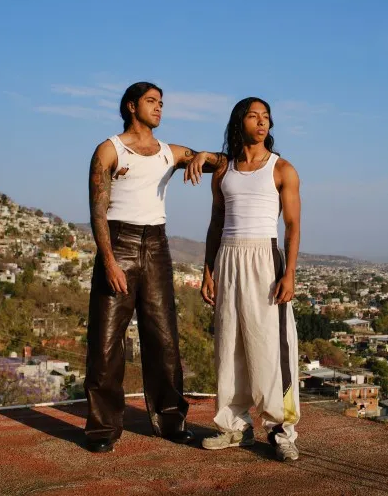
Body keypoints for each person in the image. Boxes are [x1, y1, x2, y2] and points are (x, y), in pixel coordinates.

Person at [85, 81, 225, 453]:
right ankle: (102, 428)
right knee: (106, 340)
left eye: (162, 102)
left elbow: (224, 164)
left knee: (163, 337)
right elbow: (97, 210)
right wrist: (109, 261)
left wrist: (202, 156)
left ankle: (169, 420)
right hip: (119, 242)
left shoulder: (169, 152)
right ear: (132, 106)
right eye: (151, 101)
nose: (159, 107)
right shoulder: (109, 149)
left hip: (158, 245)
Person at [201, 97, 301, 461]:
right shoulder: (223, 171)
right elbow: (215, 222)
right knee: (229, 346)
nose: (262, 123)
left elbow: (292, 226)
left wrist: (289, 272)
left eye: (267, 118)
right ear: (239, 122)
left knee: (271, 348)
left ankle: (281, 430)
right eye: (254, 116)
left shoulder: (282, 169)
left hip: (265, 258)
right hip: (228, 256)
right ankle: (233, 426)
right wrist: (208, 268)